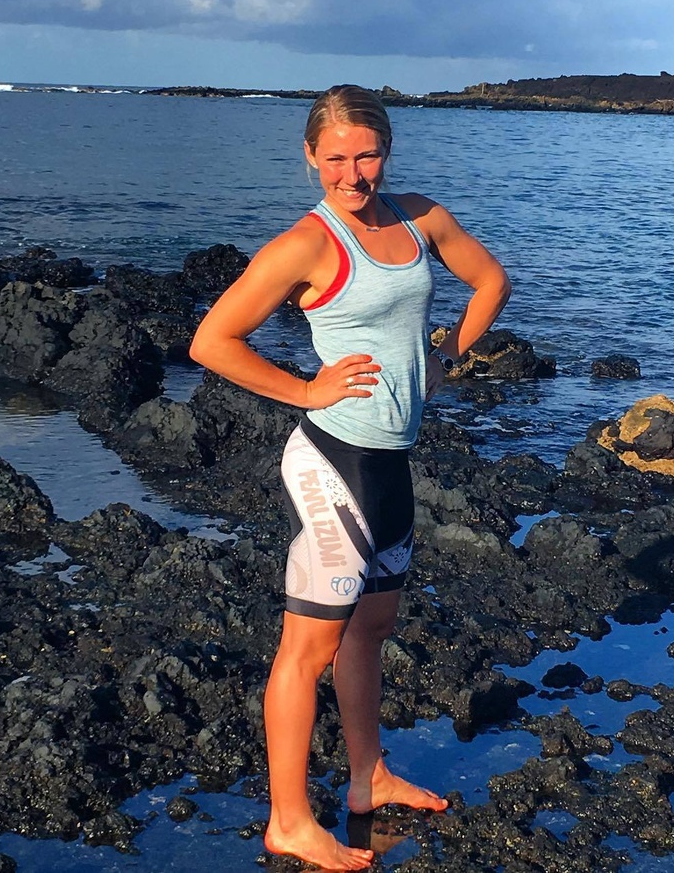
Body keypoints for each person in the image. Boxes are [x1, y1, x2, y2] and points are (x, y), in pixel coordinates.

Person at [190, 84, 511, 871]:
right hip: (333, 462)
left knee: (370, 629)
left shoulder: (419, 217)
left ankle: (368, 776)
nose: (352, 173)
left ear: (386, 150)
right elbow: (212, 340)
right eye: (335, 158)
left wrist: (446, 356)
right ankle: (289, 820)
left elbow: (491, 281)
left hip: (390, 461)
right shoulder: (306, 244)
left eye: (366, 155)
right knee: (307, 647)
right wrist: (304, 390)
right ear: (310, 156)